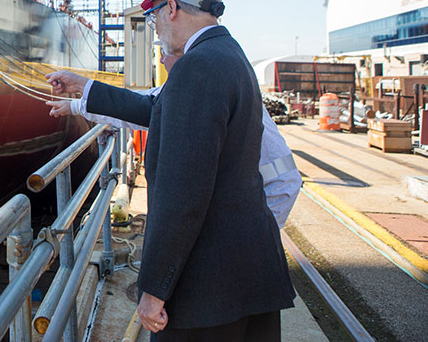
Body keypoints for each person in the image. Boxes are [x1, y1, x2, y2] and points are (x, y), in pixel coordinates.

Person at [47, 0, 295, 340]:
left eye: (155, 19)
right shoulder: (231, 57)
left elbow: (182, 196)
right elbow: (158, 107)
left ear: (172, 8)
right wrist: (85, 90)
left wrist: (154, 289)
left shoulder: (197, 69)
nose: (157, 31)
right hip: (250, 278)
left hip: (208, 292)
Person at [46, 50, 301, 227]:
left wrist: (80, 94)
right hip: (242, 204)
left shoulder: (206, 86)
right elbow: (144, 104)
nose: (163, 62)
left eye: (165, 55)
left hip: (262, 205)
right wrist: (76, 105)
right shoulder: (196, 84)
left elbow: (146, 107)